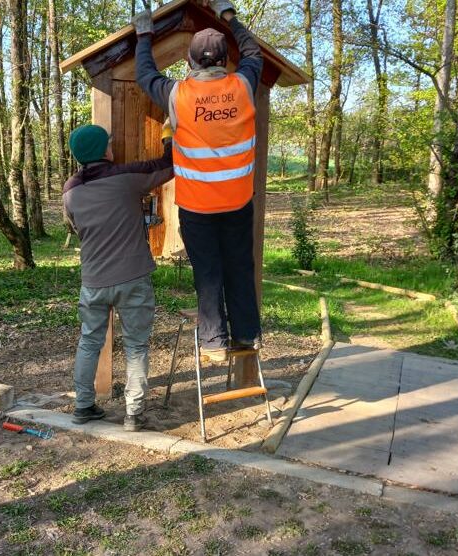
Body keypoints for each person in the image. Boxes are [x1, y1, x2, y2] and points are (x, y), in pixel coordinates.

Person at [132, 0, 262, 362]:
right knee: (239, 265)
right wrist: (229, 17)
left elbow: (144, 74)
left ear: (189, 62)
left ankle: (214, 342)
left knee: (207, 273)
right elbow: (253, 51)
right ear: (223, 61)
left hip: (197, 206)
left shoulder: (178, 95)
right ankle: (247, 334)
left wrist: (144, 34)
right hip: (237, 202)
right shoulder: (244, 85)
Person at [63, 123, 173, 431]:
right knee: (136, 345)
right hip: (132, 277)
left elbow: (75, 226)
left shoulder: (70, 191)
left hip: (93, 281)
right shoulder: (125, 178)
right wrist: (168, 136)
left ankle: (83, 406)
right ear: (104, 150)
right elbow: (168, 165)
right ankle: (133, 414)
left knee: (89, 342)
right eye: (109, 142)